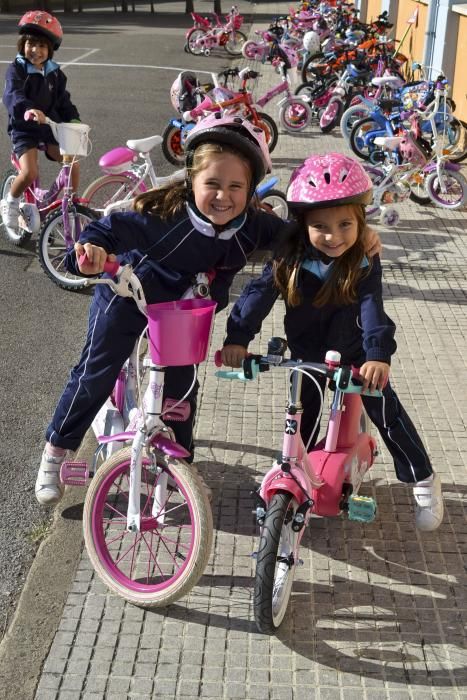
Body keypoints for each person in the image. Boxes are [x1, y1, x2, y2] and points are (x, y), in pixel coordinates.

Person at [35, 117, 381, 507]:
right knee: (95, 372)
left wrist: (361, 235)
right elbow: (108, 229)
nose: (223, 197)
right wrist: (90, 251)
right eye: (212, 184)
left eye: (236, 187)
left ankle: (183, 470)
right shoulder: (163, 217)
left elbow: (308, 233)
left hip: (182, 314)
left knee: (181, 389)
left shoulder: (254, 226)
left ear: (251, 190)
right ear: (191, 182)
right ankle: (56, 451)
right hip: (129, 296)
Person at [220, 152, 444, 532]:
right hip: (307, 353)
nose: (334, 236)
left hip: (357, 353)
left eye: (345, 224)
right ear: (302, 224)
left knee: (385, 412)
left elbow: (373, 308)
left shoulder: (362, 260)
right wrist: (237, 338)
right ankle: (295, 473)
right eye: (321, 226)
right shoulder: (288, 258)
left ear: (360, 222)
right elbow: (257, 295)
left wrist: (377, 354)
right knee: (301, 414)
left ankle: (422, 478)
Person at [1, 10, 81, 231]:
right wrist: (28, 109)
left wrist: (74, 119)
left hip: (48, 127)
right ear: (22, 45)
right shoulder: (17, 70)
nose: (35, 50)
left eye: (42, 46)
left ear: (50, 50)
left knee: (71, 161)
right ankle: (11, 202)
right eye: (31, 44)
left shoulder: (55, 74)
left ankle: (71, 204)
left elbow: (63, 101)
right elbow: (13, 95)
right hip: (24, 127)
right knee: (29, 172)